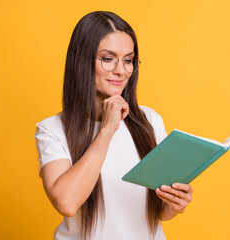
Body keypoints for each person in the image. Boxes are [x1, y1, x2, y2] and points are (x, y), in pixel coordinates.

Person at [34, 11, 193, 240]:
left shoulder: (150, 121)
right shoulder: (52, 129)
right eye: (108, 59)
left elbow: (158, 212)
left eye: (128, 60)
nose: (121, 70)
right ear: (81, 60)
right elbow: (67, 202)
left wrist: (175, 204)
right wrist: (107, 129)